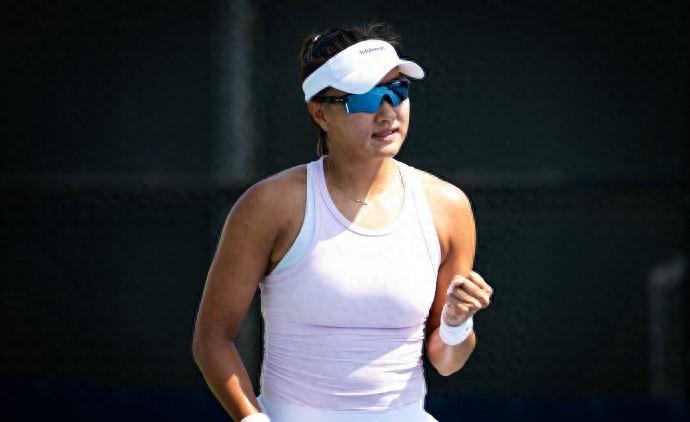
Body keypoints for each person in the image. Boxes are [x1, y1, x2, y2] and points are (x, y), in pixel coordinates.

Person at [192, 23, 494, 422]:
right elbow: (212, 340)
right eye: (365, 97)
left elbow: (446, 361)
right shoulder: (268, 205)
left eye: (398, 90)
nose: (387, 111)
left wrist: (456, 324)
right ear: (320, 113)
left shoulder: (448, 206)